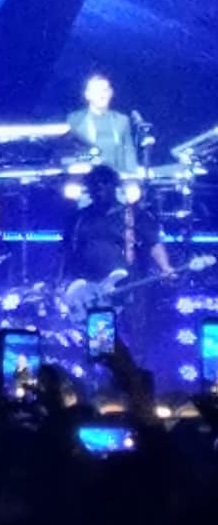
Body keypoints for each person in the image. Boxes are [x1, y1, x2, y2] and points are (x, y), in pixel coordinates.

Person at [63, 164, 174, 359]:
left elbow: (153, 242)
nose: (99, 187)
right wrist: (63, 282)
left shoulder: (133, 215)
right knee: (102, 348)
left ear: (114, 185)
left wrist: (165, 267)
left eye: (104, 183)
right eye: (94, 184)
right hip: (95, 291)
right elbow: (67, 252)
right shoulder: (80, 218)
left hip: (128, 289)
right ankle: (103, 374)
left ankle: (135, 374)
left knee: (134, 341)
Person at [67, 73, 138, 174]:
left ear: (111, 93)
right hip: (87, 176)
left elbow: (129, 152)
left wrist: (132, 174)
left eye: (105, 90)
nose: (102, 95)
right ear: (87, 95)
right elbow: (72, 153)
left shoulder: (122, 120)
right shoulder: (75, 120)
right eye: (97, 91)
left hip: (118, 175)